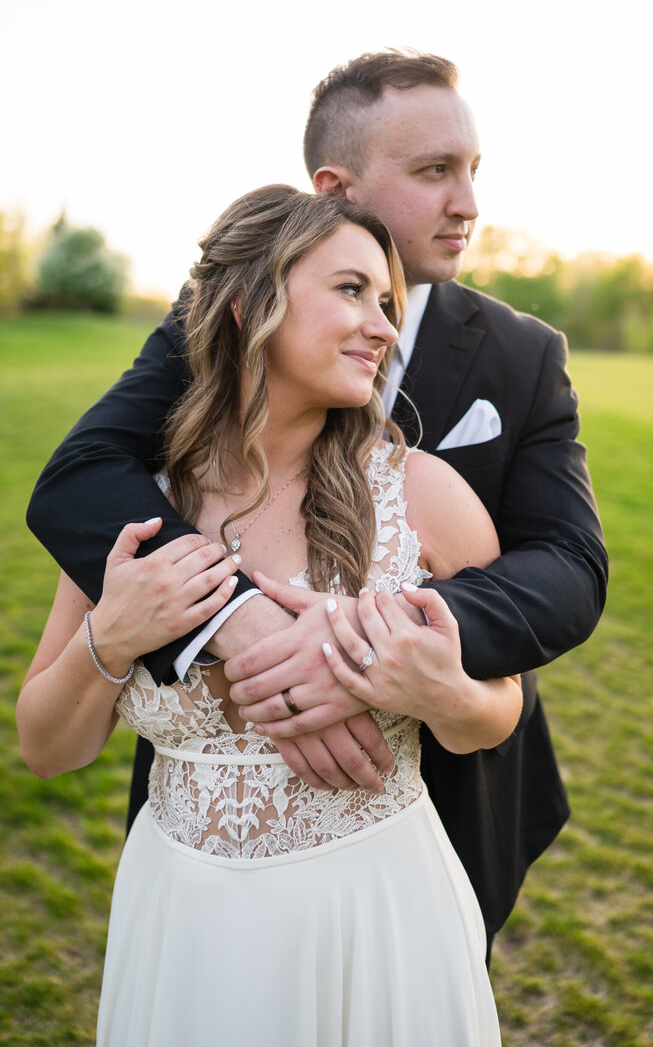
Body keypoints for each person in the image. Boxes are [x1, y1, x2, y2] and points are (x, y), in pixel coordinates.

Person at [26, 50, 608, 950]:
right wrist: (232, 621)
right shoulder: (220, 316)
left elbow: (568, 569)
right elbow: (81, 478)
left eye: (473, 171)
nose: (469, 203)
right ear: (336, 188)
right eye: (433, 172)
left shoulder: (522, 357)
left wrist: (359, 641)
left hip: (429, 818)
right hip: (199, 859)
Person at [18, 186, 515, 1045]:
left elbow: (497, 714)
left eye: (388, 303)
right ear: (251, 303)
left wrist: (442, 693)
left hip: (375, 912)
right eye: (352, 291)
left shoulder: (423, 496)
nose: (384, 327)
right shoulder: (138, 514)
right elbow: (47, 750)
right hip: (182, 922)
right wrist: (114, 639)